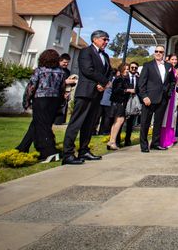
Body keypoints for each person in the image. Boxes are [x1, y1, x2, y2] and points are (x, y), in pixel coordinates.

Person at [62, 30, 112, 165]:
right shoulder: (86, 52)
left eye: (107, 40)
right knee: (76, 122)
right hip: (86, 92)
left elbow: (109, 71)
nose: (106, 42)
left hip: (97, 93)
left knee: (89, 124)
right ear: (95, 39)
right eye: (104, 39)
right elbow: (87, 70)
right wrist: (102, 82)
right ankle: (67, 153)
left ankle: (84, 150)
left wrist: (104, 83)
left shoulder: (105, 56)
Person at [17, 49, 66, 162]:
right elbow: (62, 88)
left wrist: (26, 101)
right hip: (54, 100)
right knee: (38, 124)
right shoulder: (61, 72)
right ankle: (23, 147)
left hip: (41, 99)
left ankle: (49, 152)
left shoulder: (39, 71)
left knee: (42, 127)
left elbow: (31, 87)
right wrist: (60, 103)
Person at [138, 45, 176, 152]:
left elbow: (172, 81)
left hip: (163, 99)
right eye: (156, 51)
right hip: (149, 99)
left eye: (161, 51)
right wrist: (144, 96)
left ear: (164, 54)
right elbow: (141, 83)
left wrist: (168, 93)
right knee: (145, 122)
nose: (158, 53)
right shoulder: (148, 65)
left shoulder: (168, 66)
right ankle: (144, 145)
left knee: (158, 123)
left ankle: (155, 143)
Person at [158, 53, 178, 148]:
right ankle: (163, 139)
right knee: (166, 117)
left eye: (175, 59)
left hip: (174, 94)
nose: (174, 61)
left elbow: (176, 84)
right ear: (168, 60)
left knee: (172, 117)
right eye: (172, 59)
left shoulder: (175, 70)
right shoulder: (167, 69)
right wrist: (177, 74)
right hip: (167, 95)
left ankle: (170, 138)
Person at [106, 63, 136, 151]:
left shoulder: (124, 79)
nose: (127, 70)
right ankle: (112, 141)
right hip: (118, 102)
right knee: (119, 121)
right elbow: (116, 90)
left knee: (117, 121)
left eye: (128, 69)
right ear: (121, 70)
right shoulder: (119, 79)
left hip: (121, 102)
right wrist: (128, 90)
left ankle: (112, 141)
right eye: (125, 69)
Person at [116, 61, 139, 147]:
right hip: (124, 101)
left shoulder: (138, 78)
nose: (133, 69)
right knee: (120, 121)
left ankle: (127, 140)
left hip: (133, 101)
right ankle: (117, 140)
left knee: (130, 123)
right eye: (132, 67)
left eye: (135, 68)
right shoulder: (124, 77)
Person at [53, 53, 76, 125]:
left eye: (67, 63)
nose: (66, 64)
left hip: (63, 94)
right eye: (64, 62)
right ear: (60, 61)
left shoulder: (67, 71)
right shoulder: (55, 70)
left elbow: (68, 84)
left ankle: (59, 122)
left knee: (60, 116)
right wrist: (65, 81)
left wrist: (67, 92)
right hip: (55, 93)